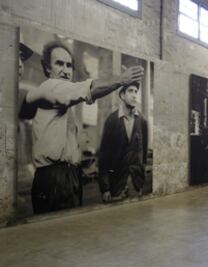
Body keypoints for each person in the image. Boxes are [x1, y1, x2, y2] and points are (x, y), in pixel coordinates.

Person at [25, 41, 143, 214]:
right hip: (54, 179)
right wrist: (120, 79)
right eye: (59, 64)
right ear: (48, 68)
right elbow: (90, 89)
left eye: (69, 65)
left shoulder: (63, 96)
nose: (65, 70)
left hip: (69, 176)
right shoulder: (50, 88)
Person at [98, 81, 148, 202]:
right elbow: (104, 157)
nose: (134, 95)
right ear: (122, 95)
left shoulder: (142, 120)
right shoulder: (112, 121)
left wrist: (141, 177)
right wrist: (105, 188)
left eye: (136, 92)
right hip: (117, 184)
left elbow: (144, 152)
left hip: (136, 185)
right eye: (130, 91)